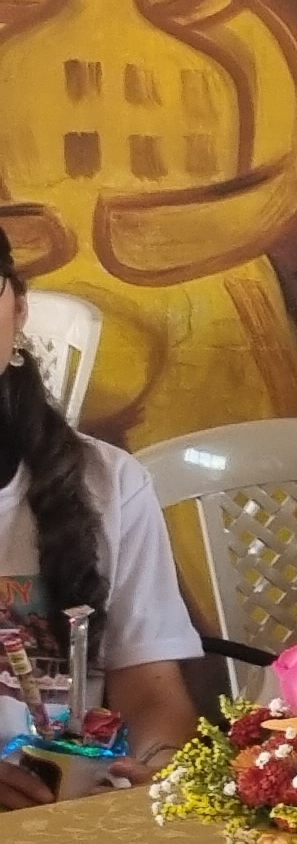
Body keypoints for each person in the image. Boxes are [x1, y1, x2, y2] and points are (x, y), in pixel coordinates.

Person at [0, 261, 194, 795]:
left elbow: (152, 694)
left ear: (18, 309)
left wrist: (153, 775)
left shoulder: (109, 483)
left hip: (69, 811)